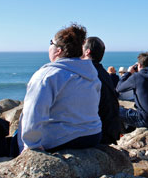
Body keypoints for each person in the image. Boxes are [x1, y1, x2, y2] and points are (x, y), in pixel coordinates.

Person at [17, 23, 102, 152]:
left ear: (58, 50)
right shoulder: (90, 73)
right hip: (92, 135)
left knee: (13, 140)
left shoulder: (48, 75)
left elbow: (34, 112)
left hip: (63, 138)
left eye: (51, 42)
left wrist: (32, 146)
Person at [82, 37, 122, 145]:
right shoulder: (103, 73)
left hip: (99, 133)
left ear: (87, 51)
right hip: (109, 130)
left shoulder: (88, 74)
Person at [116, 52, 148, 129]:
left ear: (139, 65)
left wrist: (129, 73)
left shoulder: (137, 77)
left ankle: (123, 135)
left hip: (145, 120)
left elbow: (119, 88)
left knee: (115, 109)